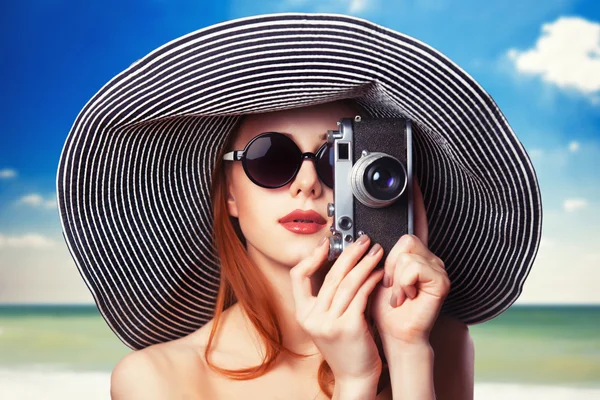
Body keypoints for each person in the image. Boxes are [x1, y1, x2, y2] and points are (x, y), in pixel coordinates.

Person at [56, 13, 541, 400]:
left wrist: (406, 351)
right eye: (271, 159)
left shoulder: (435, 344)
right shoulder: (155, 379)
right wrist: (355, 383)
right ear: (227, 193)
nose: (308, 183)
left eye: (339, 159)